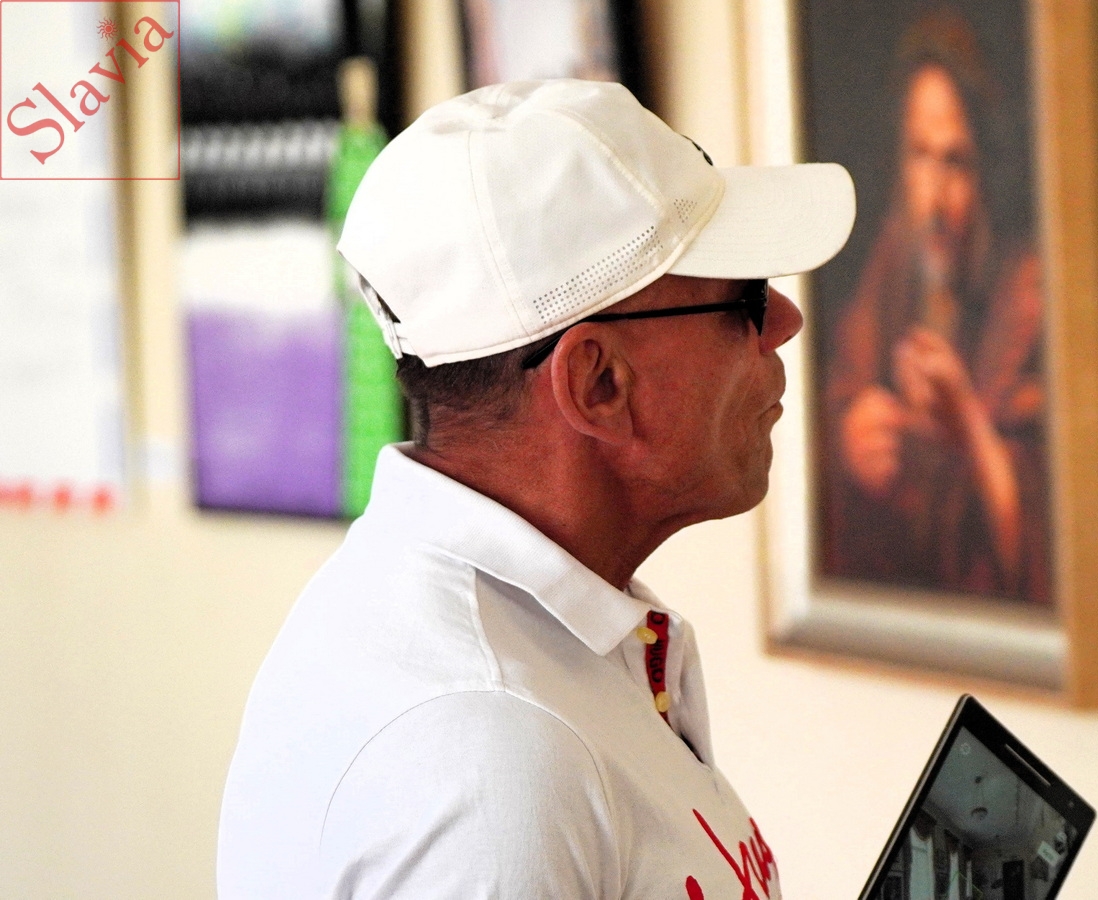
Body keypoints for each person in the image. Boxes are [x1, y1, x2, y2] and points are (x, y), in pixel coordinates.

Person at [215, 80, 855, 898]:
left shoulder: (522, 640)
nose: (785, 323)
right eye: (746, 300)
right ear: (599, 384)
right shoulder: (490, 762)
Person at [823, 11, 1051, 605]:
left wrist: (967, 427)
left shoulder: (1029, 293)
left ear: (986, 171)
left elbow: (1048, 524)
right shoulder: (886, 272)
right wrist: (852, 438)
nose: (935, 198)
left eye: (956, 162)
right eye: (920, 156)